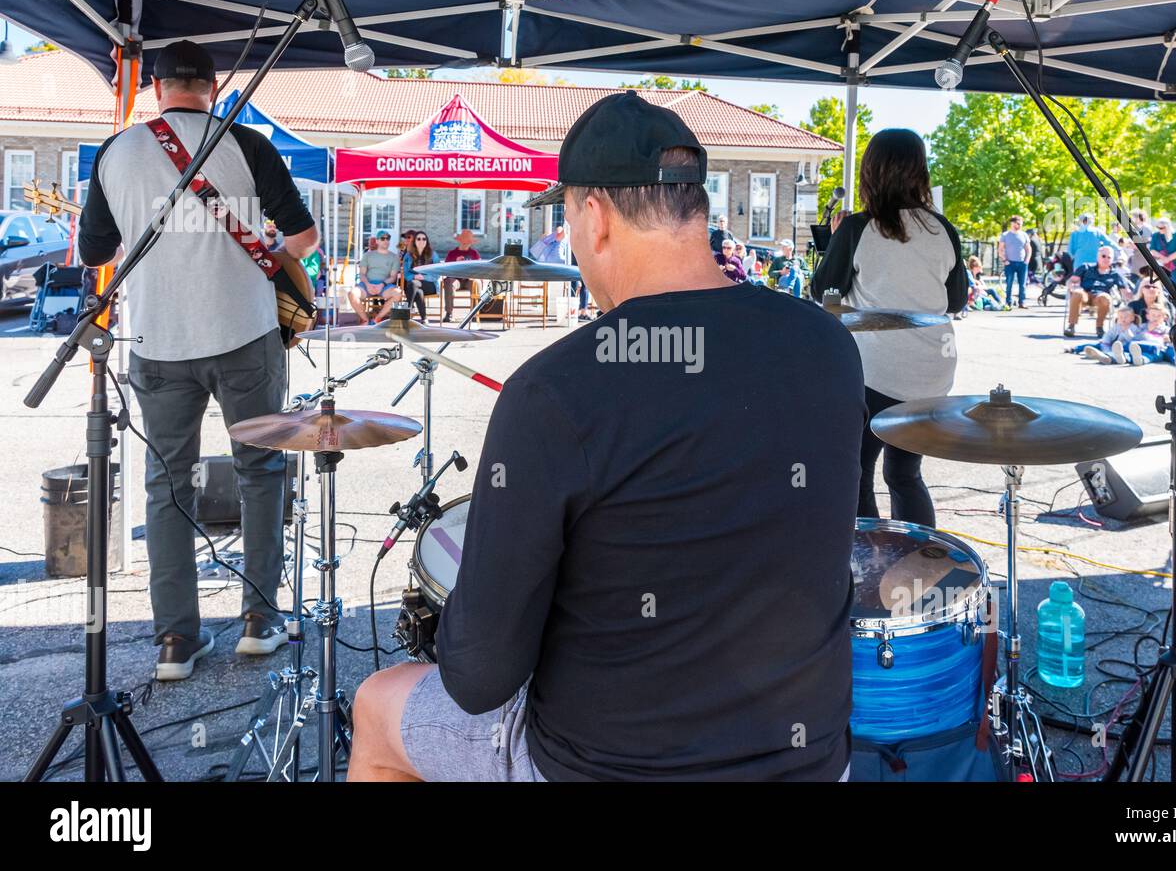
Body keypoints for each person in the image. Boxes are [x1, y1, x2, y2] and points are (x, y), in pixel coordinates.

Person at [349, 90, 864, 782]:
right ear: (696, 208)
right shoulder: (828, 348)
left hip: (604, 767)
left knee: (377, 705)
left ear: (594, 218)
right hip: (811, 761)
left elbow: (478, 678)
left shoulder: (554, 393)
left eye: (565, 222)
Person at [77, 40, 319, 680]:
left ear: (156, 89)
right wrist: (259, 238)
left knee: (167, 487)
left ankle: (176, 643)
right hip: (244, 335)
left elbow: (93, 248)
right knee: (262, 473)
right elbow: (303, 239)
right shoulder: (246, 145)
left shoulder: (116, 151)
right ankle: (259, 621)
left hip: (157, 340)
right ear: (212, 88)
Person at [811, 128, 966, 526]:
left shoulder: (860, 228)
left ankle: (873, 564)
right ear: (920, 172)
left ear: (870, 172)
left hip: (879, 373)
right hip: (932, 374)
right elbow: (956, 301)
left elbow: (822, 291)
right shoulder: (942, 229)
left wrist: (833, 248)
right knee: (904, 473)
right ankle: (919, 561)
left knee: (858, 474)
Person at [1065, 245, 1130, 338]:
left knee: (1105, 297)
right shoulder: (1086, 267)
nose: (1106, 259)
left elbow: (1125, 291)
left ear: (1112, 259)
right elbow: (1072, 281)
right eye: (1103, 256)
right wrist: (1072, 286)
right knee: (1077, 293)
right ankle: (1071, 326)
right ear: (1098, 256)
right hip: (1085, 294)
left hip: (1100, 296)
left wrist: (1131, 299)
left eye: (1109, 257)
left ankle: (1099, 327)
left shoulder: (1115, 274)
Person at [348, 231, 400, 323]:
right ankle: (365, 320)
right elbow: (362, 274)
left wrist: (382, 285)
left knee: (398, 293)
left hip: (385, 286)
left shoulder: (394, 257)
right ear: (377, 241)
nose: (385, 241)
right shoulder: (367, 255)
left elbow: (393, 277)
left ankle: (378, 318)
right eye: (382, 239)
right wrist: (368, 284)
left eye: (387, 238)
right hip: (367, 285)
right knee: (352, 294)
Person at [1072, 306, 1143, 364]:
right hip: (1110, 344)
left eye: (1126, 317)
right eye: (1121, 317)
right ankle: (1075, 349)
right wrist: (1105, 341)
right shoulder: (1116, 326)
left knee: (1123, 351)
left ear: (1132, 318)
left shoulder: (1134, 327)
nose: (1123, 319)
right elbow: (1108, 335)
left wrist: (1127, 332)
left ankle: (1105, 356)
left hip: (1123, 346)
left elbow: (1132, 340)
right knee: (1096, 344)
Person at [441, 228, 481, 322]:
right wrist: (456, 262)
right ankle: (449, 313)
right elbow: (446, 269)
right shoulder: (452, 253)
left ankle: (474, 313)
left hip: (469, 279)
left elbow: (479, 269)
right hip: (456, 279)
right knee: (449, 282)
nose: (466, 244)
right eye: (464, 242)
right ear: (460, 241)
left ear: (471, 243)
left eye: (468, 242)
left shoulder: (474, 254)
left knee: (477, 282)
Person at [401, 231, 437, 322]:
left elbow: (437, 274)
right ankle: (424, 318)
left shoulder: (433, 255)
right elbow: (405, 273)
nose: (421, 241)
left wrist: (424, 277)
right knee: (418, 291)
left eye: (424, 239)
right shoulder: (408, 256)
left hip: (430, 284)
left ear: (427, 241)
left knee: (413, 285)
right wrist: (414, 277)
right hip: (415, 284)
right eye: (418, 239)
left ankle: (407, 309)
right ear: (415, 241)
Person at [998, 215, 1029, 308]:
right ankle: (1008, 302)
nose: (1019, 226)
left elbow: (1028, 249)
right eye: (1018, 223)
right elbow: (1000, 249)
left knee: (1022, 284)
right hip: (1010, 263)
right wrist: (1004, 260)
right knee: (1009, 283)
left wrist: (1027, 260)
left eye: (1021, 224)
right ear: (1012, 223)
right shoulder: (1005, 235)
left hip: (1022, 263)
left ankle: (1022, 302)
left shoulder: (1024, 235)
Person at [1149, 216, 1176, 284]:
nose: (1159, 229)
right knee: (1160, 283)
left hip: (1173, 264)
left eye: (1161, 228)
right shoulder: (1155, 235)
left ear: (1167, 227)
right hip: (1160, 263)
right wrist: (1163, 258)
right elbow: (1152, 249)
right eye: (1158, 227)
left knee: (1174, 283)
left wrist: (1168, 259)